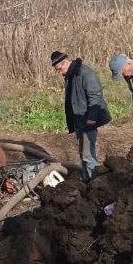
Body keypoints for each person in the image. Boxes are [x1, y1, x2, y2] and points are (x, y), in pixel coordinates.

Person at [51, 50, 110, 179]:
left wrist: (91, 118)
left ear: (65, 62)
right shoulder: (71, 75)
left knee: (88, 154)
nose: (59, 73)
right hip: (79, 120)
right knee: (83, 153)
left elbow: (95, 97)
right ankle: (87, 178)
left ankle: (92, 181)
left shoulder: (85, 73)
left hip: (87, 120)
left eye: (59, 69)